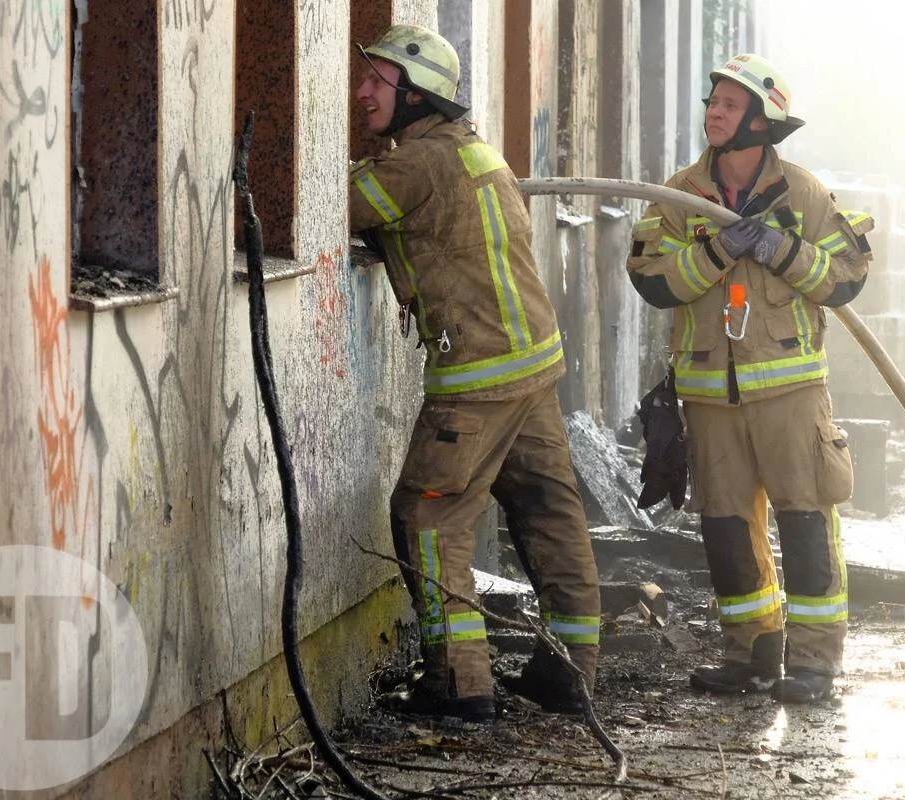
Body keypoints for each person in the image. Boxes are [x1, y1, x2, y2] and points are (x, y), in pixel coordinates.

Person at [348, 24, 601, 722]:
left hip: (479, 381)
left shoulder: (419, 163)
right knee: (549, 512)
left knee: (427, 520)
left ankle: (461, 685)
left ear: (416, 93)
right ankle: (571, 672)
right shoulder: (476, 153)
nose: (361, 89)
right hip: (533, 369)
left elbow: (332, 206)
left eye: (377, 79)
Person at [626, 53, 875, 704]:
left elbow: (846, 276)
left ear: (762, 122)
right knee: (728, 533)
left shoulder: (803, 193)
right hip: (711, 399)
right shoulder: (680, 195)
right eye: (712, 101)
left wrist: (778, 249)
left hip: (791, 396)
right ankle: (752, 655)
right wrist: (718, 249)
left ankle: (815, 663)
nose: (713, 111)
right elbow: (652, 280)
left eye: (730, 104)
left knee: (805, 527)